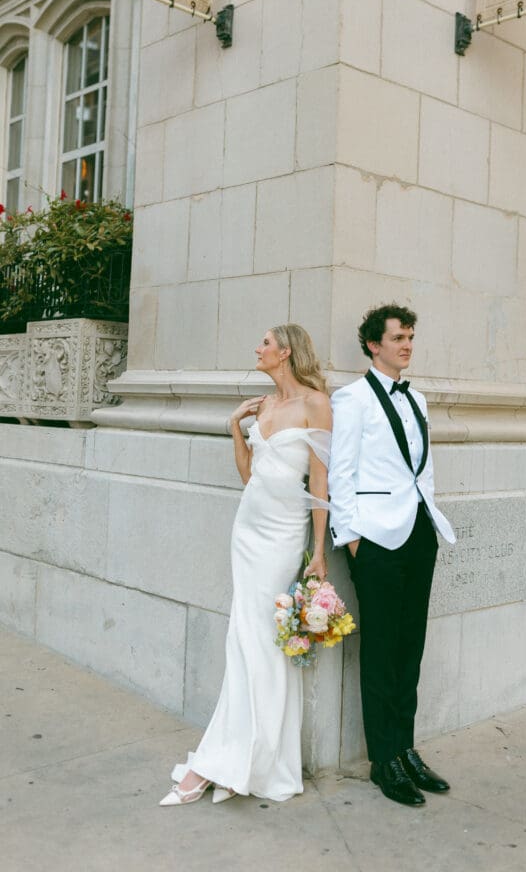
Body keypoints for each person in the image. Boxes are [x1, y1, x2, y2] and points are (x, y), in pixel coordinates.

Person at [160, 324, 332, 806]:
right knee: (243, 636)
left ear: (286, 352)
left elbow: (320, 483)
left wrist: (318, 551)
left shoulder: (316, 404)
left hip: (282, 536)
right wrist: (235, 426)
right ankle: (233, 755)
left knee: (262, 641)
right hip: (248, 529)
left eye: (264, 343)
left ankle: (247, 758)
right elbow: (249, 476)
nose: (257, 349)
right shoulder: (264, 405)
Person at [328, 304, 455, 806]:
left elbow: (421, 469)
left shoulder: (417, 398)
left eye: (410, 337)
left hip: (418, 534)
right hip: (376, 540)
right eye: (398, 337)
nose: (407, 345)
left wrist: (426, 519)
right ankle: (384, 762)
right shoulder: (352, 399)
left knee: (410, 648)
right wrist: (353, 540)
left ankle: (405, 749)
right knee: (381, 653)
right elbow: (342, 473)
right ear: (373, 345)